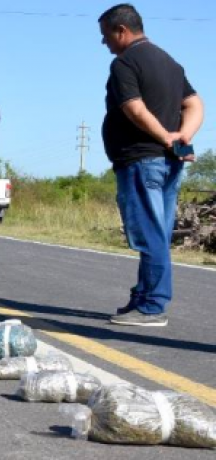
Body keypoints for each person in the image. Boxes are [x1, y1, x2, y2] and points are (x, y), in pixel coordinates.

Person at [98, 4, 204, 327]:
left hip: (142, 161)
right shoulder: (170, 62)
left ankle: (153, 306)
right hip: (168, 164)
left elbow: (134, 108)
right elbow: (195, 104)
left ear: (121, 31)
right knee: (157, 232)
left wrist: (167, 138)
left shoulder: (125, 63)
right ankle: (143, 297)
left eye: (106, 35)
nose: (104, 42)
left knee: (149, 234)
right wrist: (183, 136)